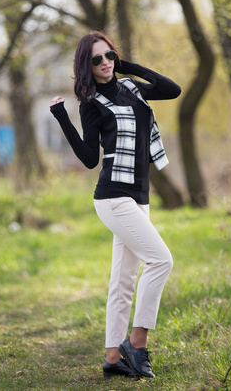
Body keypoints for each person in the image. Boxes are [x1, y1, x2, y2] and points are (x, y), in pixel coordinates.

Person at [50, 30, 181, 379]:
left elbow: (171, 89)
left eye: (109, 56)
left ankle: (112, 356)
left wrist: (128, 65)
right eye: (97, 59)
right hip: (112, 197)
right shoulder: (90, 103)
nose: (105, 63)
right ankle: (136, 344)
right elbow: (90, 158)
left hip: (140, 195)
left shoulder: (133, 89)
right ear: (86, 66)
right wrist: (63, 118)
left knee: (123, 279)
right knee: (161, 260)